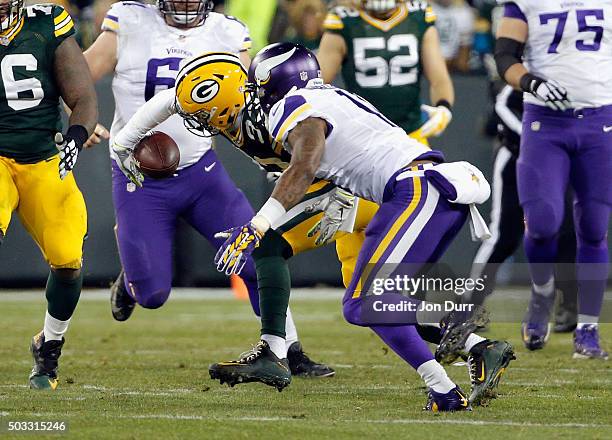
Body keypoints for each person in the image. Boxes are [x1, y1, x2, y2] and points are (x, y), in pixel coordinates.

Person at [112, 50, 514, 407]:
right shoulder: (281, 101)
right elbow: (170, 101)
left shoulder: (291, 106)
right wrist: (122, 144)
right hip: (390, 191)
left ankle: (441, 377)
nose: (200, 123)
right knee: (371, 297)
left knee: (306, 268)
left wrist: (259, 221)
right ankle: (474, 349)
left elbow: (306, 164)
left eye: (205, 112)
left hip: (388, 193)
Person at [81, 0, 331, 376]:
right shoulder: (128, 19)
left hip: (201, 170)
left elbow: (256, 99)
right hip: (139, 176)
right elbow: (79, 75)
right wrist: (76, 120)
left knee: (257, 255)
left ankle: (288, 350)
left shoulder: (227, 31)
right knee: (152, 294)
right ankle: (131, 279)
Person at [495, 0, 610, 358]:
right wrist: (531, 82)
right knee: (543, 223)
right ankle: (542, 293)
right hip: (547, 123)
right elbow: (505, 57)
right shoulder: (525, 2)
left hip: (600, 122)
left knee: (593, 227)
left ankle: (587, 330)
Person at [0, 0, 97, 389]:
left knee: (68, 260)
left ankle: (49, 345)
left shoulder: (46, 22)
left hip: (42, 158)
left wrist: (76, 135)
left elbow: (84, 95)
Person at [465, 84, 578, 333]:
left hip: (561, 161)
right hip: (518, 157)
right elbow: (503, 103)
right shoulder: (534, 67)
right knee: (504, 236)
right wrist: (533, 138)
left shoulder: (581, 71)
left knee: (568, 230)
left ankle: (568, 305)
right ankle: (469, 306)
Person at [317, 0, 454, 144]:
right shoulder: (345, 22)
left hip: (411, 136)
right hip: (362, 140)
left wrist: (443, 108)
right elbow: (316, 84)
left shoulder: (417, 17)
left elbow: (439, 79)